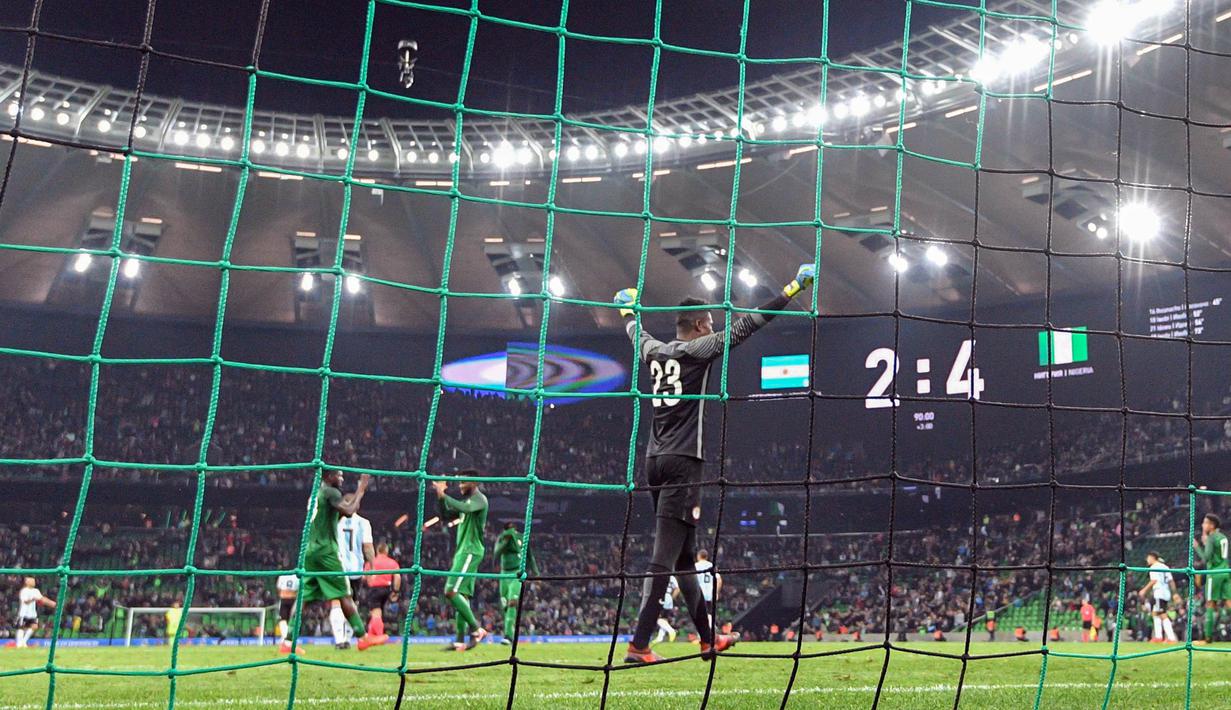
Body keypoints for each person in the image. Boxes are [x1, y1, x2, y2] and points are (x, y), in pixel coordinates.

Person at [613, 262, 816, 664]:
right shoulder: (698, 349)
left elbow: (638, 334)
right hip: (683, 463)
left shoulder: (655, 351)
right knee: (663, 558)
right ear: (698, 326)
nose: (711, 327)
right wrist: (792, 288)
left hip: (654, 460)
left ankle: (708, 640)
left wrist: (627, 312)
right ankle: (639, 643)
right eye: (708, 322)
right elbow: (747, 326)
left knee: (685, 559)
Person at [282, 470, 385, 654]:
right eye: (338, 475)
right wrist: (361, 489)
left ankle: (288, 642)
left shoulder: (317, 494)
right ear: (328, 477)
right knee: (344, 595)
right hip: (326, 552)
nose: (342, 478)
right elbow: (349, 511)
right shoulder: (331, 492)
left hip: (310, 551)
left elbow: (337, 515)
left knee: (303, 599)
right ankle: (362, 637)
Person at [433, 470, 490, 651]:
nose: (459, 486)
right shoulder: (465, 502)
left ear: (473, 482)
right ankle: (459, 639)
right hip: (463, 551)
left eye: (462, 482)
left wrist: (444, 494)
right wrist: (440, 498)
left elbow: (465, 509)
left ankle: (476, 629)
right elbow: (445, 516)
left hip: (470, 551)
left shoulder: (479, 499)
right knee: (462, 596)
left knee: (451, 590)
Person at [493, 522, 538, 645]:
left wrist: (536, 574)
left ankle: (508, 636)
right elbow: (496, 553)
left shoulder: (522, 538)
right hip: (504, 574)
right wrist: (506, 541)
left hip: (516, 573)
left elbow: (530, 557)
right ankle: (509, 629)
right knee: (505, 606)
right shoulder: (502, 538)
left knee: (512, 602)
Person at [336, 511, 374, 648]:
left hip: (337, 567)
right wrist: (372, 567)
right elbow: (368, 546)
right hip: (356, 569)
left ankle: (340, 640)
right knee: (352, 603)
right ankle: (348, 638)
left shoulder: (335, 521)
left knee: (337, 603)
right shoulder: (363, 522)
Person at [1194, 513, 1231, 644]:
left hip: (1214, 573)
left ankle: (1207, 638)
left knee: (1210, 603)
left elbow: (1206, 558)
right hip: (1226, 570)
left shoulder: (1211, 537)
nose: (1203, 525)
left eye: (1205, 523)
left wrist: (1197, 546)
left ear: (1211, 525)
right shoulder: (1223, 536)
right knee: (1228, 603)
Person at [1138, 551, 1180, 643]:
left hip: (1159, 592)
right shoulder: (1165, 567)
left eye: (1148, 558)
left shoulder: (1154, 567)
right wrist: (1175, 593)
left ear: (1153, 558)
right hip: (1166, 592)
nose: (1147, 560)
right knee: (1155, 613)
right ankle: (1158, 637)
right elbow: (1171, 581)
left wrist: (1144, 590)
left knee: (1162, 614)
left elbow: (1154, 580)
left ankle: (1171, 638)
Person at [365, 543, 402, 640]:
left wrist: (370, 582)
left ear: (377, 551)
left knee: (376, 612)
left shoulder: (371, 562)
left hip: (375, 588)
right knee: (377, 612)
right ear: (386, 551)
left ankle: (379, 636)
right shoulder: (392, 563)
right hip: (387, 588)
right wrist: (395, 591)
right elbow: (398, 577)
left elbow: (365, 575)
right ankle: (371, 635)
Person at [15, 577, 56, 648]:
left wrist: (53, 603)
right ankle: (19, 644)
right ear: (27, 582)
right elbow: (25, 601)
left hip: (32, 614)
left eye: (34, 581)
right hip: (24, 613)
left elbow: (42, 599)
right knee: (21, 627)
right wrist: (33, 599)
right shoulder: (24, 591)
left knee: (34, 626)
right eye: (32, 581)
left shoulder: (36, 591)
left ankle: (24, 642)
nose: (34, 582)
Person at [695, 549, 722, 629]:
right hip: (710, 592)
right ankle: (711, 626)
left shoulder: (696, 566)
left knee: (700, 613)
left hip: (700, 592)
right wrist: (716, 592)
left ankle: (708, 628)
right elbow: (719, 580)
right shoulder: (711, 565)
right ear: (706, 557)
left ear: (699, 556)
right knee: (709, 612)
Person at [274, 571, 300, 648]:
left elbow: (279, 588)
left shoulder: (282, 576)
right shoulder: (296, 576)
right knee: (290, 620)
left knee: (283, 619)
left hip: (284, 598)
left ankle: (286, 638)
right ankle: (288, 638)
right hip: (293, 598)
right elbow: (298, 589)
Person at [654, 576, 680, 644]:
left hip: (662, 597)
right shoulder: (672, 577)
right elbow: (677, 589)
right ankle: (660, 638)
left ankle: (671, 631)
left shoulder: (661, 575)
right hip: (669, 597)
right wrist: (671, 598)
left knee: (656, 617)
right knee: (664, 619)